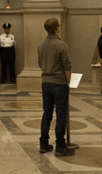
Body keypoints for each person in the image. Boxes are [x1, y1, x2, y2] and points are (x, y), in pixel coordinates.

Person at [38, 18, 74, 157]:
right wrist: (68, 83)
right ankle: (60, 145)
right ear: (57, 28)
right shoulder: (62, 45)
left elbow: (40, 64)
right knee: (61, 114)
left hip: (45, 83)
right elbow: (67, 67)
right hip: (59, 83)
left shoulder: (41, 46)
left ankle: (44, 143)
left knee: (46, 113)